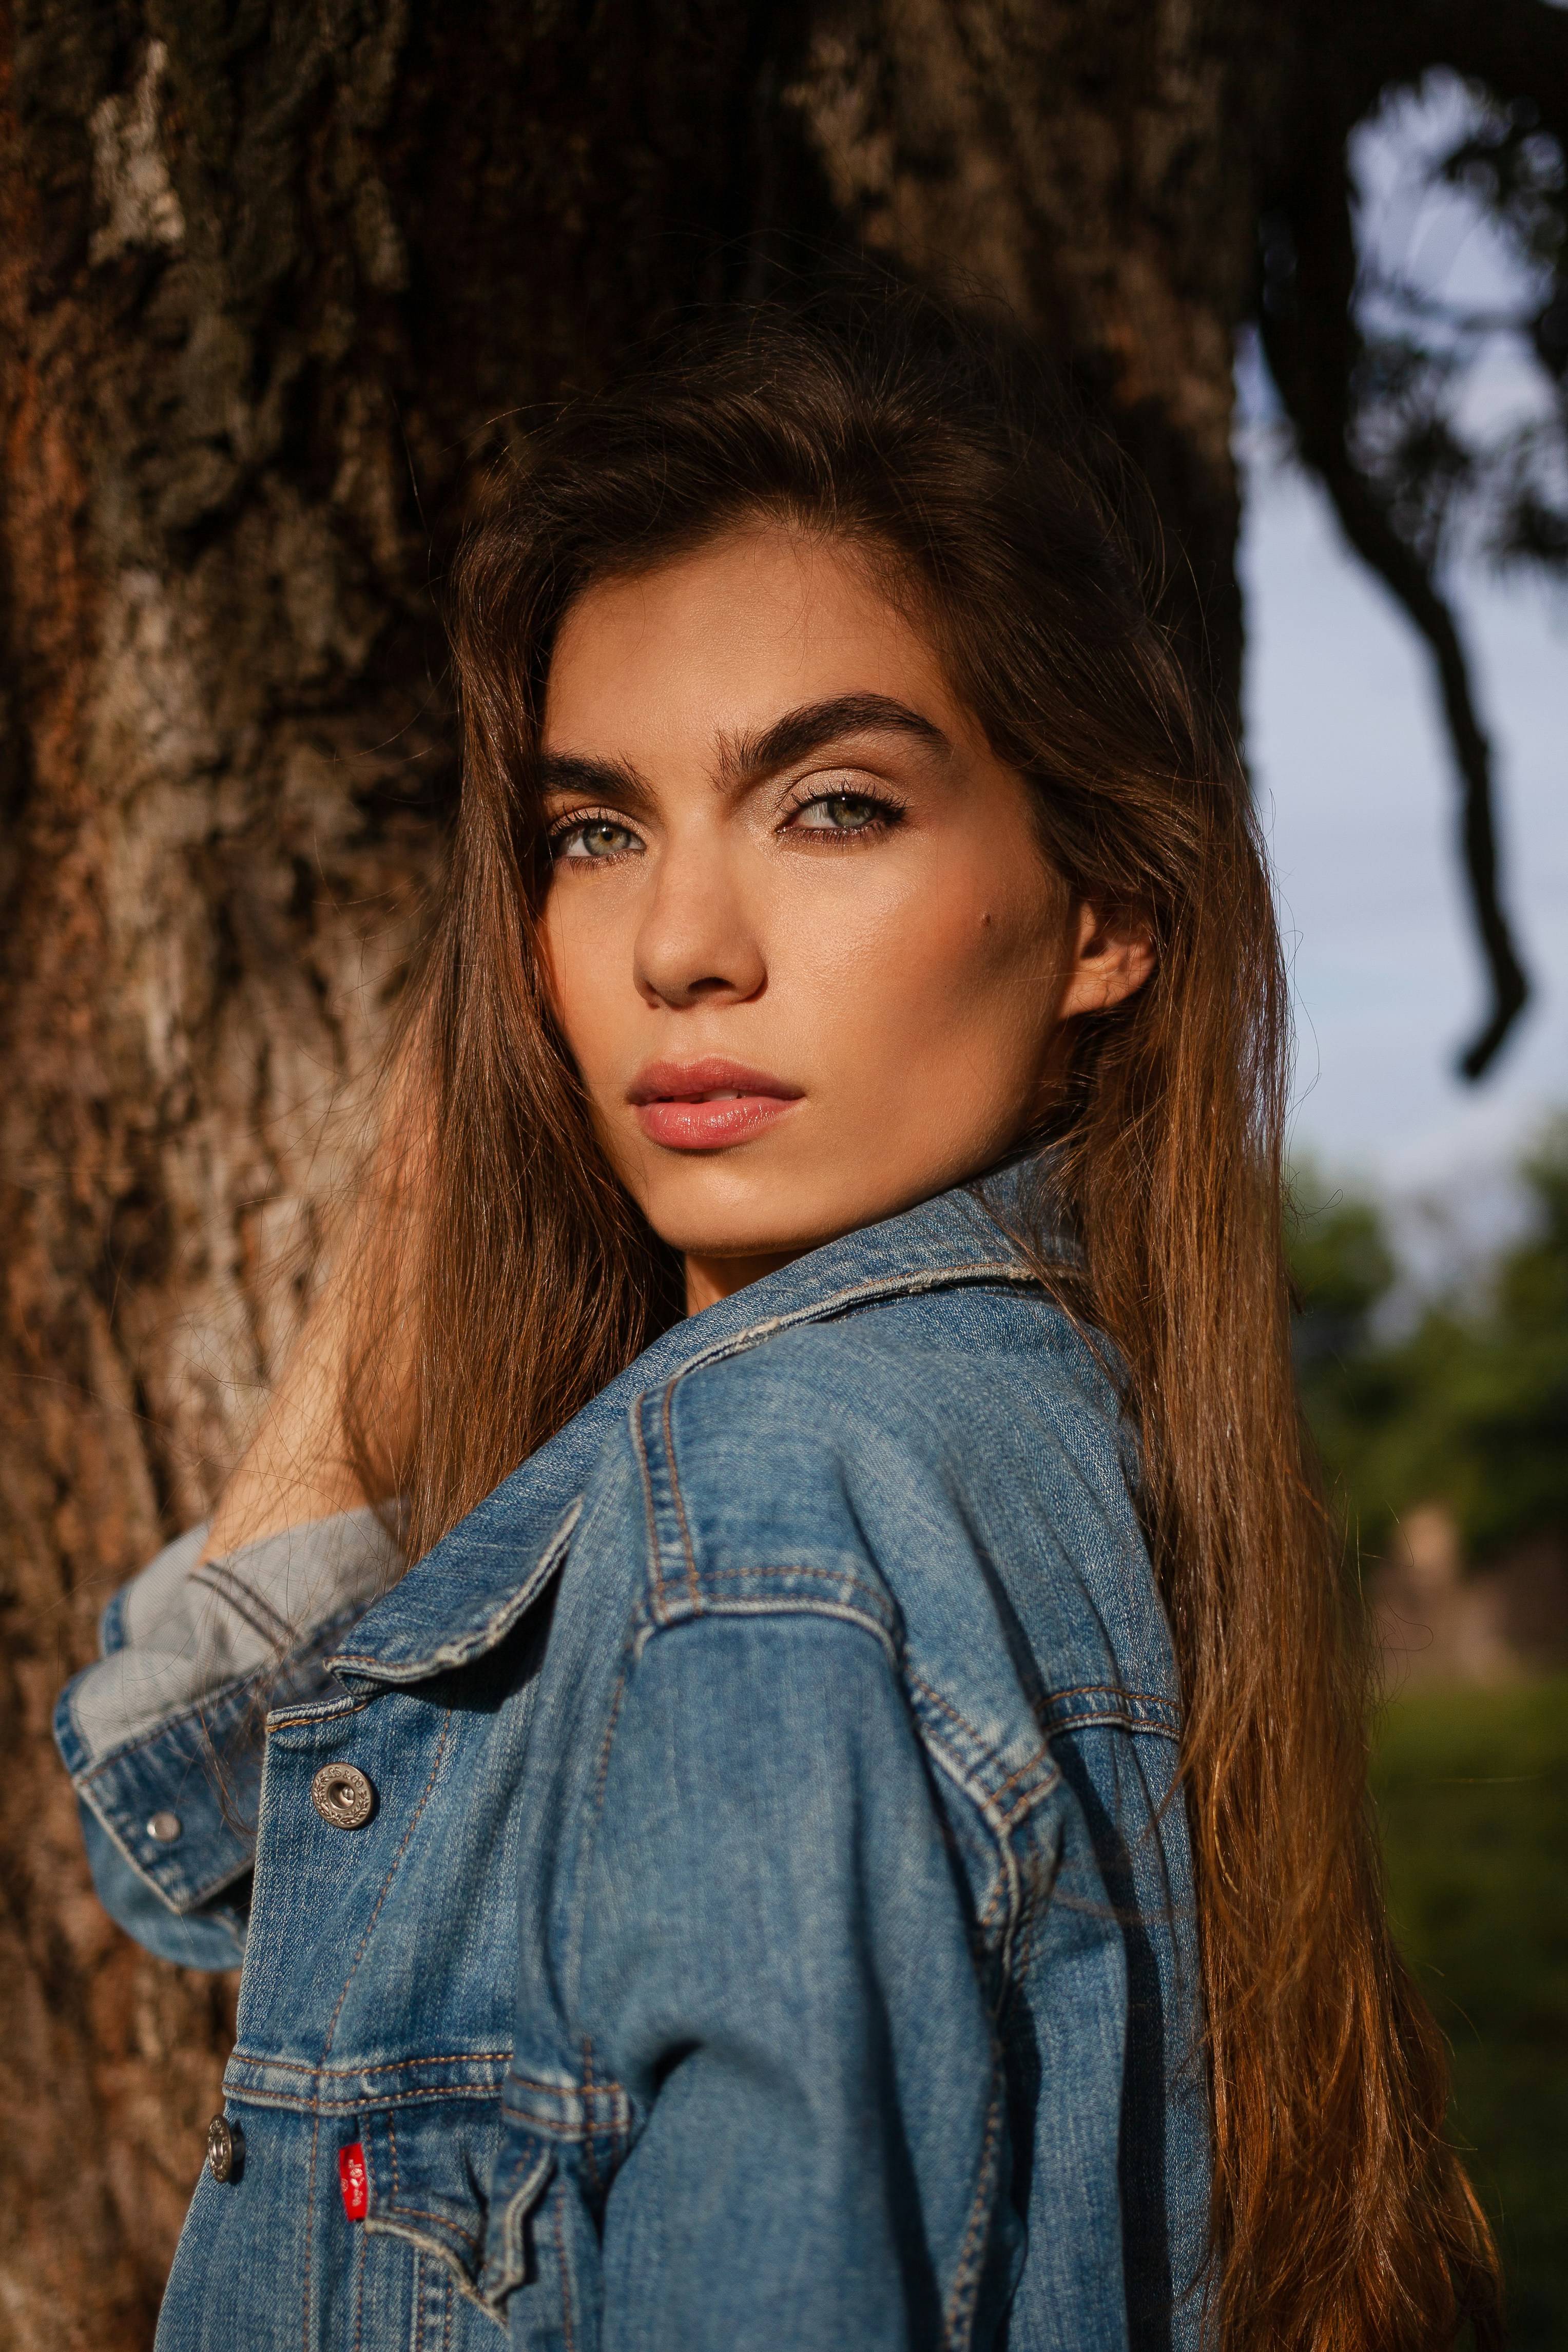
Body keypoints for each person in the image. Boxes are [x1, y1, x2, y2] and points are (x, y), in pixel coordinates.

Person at [55, 288, 1499, 2352]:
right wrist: (385, 1283)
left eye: (832, 805)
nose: (677, 947)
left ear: (1104, 916)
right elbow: (247, 1872)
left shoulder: (769, 1505)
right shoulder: (1044, 1433)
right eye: (592, 831)